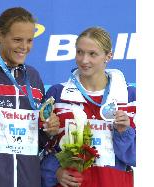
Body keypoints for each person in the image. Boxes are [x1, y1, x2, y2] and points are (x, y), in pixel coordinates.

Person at [0, 7, 59, 187]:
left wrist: (48, 129)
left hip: (29, 180)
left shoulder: (34, 77)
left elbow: (38, 140)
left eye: (29, 40)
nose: (24, 47)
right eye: (17, 40)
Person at [40, 27, 136, 187]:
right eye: (80, 52)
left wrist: (124, 132)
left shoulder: (130, 97)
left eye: (92, 54)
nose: (84, 60)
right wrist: (54, 172)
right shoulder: (57, 93)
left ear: (108, 56)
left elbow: (138, 157)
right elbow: (42, 148)